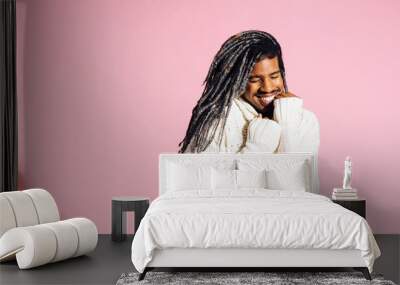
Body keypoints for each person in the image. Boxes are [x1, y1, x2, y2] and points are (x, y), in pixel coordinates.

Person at [178, 30, 319, 156]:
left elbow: (296, 182)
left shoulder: (305, 120)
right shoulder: (219, 121)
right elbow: (198, 182)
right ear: (235, 81)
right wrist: (256, 149)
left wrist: (288, 125)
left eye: (274, 76)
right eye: (254, 79)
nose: (267, 87)